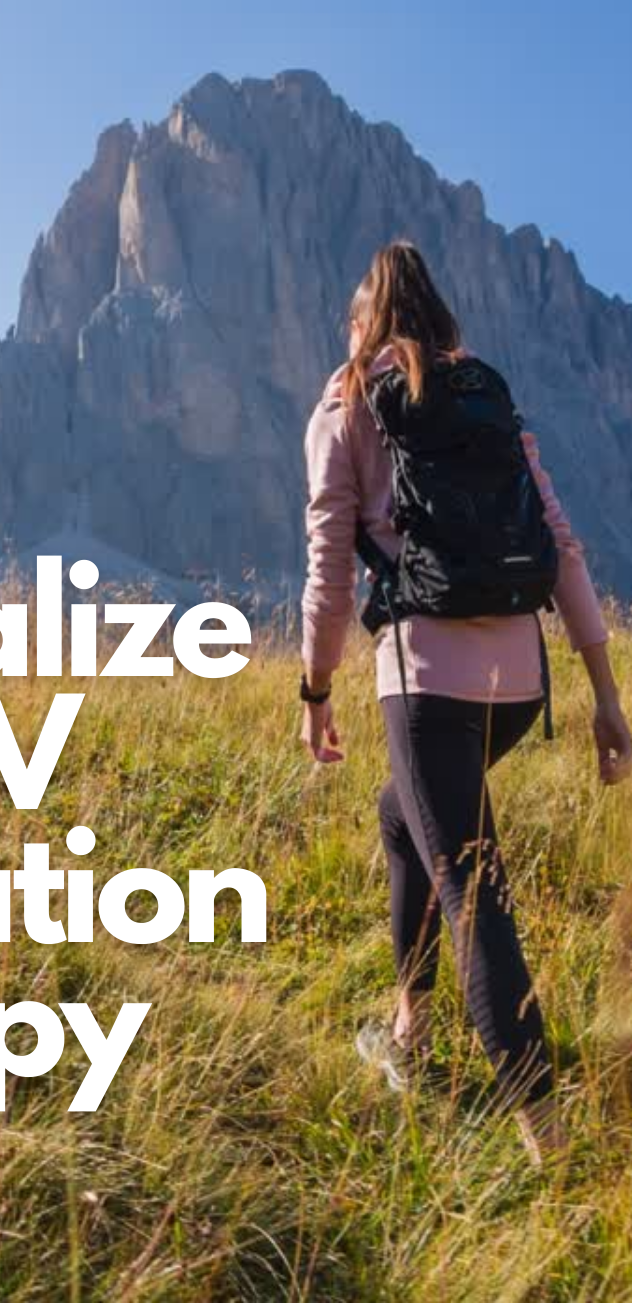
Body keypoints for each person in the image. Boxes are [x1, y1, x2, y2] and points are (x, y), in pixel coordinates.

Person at [299, 240, 632, 1163]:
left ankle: (549, 1145)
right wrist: (606, 696)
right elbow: (560, 543)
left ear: (362, 323)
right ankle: (408, 1026)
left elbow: (329, 575)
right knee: (402, 813)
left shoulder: (346, 405)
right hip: (522, 684)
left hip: (426, 685)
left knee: (474, 891)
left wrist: (315, 689)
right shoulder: (487, 398)